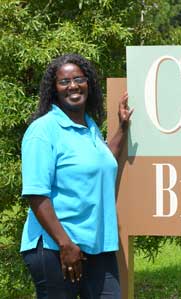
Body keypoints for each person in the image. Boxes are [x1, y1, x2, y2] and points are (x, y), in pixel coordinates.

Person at [19, 53, 133, 299]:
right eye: (64, 81)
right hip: (56, 248)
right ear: (54, 89)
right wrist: (65, 244)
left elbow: (102, 162)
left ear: (88, 84)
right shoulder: (43, 131)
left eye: (79, 79)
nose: (72, 85)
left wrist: (122, 128)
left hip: (97, 246)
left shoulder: (88, 126)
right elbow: (37, 194)